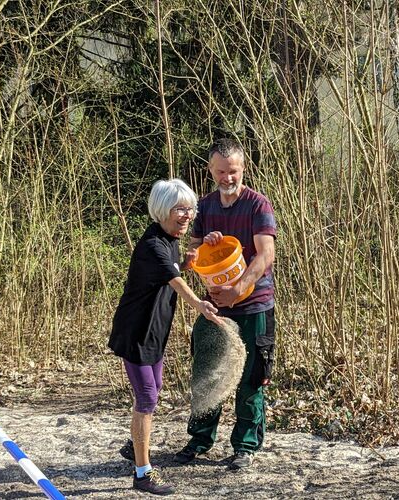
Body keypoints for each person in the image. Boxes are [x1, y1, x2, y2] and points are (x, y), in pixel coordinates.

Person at [108, 178, 222, 495]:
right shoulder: (153, 245)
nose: (187, 215)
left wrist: (187, 261)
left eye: (190, 209)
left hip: (154, 333)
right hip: (136, 333)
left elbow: (171, 270)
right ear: (162, 210)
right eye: (179, 209)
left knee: (154, 388)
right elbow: (175, 281)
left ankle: (134, 445)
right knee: (147, 397)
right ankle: (142, 474)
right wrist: (200, 305)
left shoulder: (169, 238)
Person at [174, 137, 277, 470]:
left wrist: (239, 289)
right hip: (214, 307)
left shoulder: (258, 205)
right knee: (207, 374)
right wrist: (203, 246)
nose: (227, 178)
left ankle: (245, 447)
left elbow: (265, 254)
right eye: (221, 171)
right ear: (210, 170)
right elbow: (190, 258)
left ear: (243, 168)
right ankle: (200, 440)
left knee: (250, 379)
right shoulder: (204, 207)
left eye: (233, 171)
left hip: (254, 305)